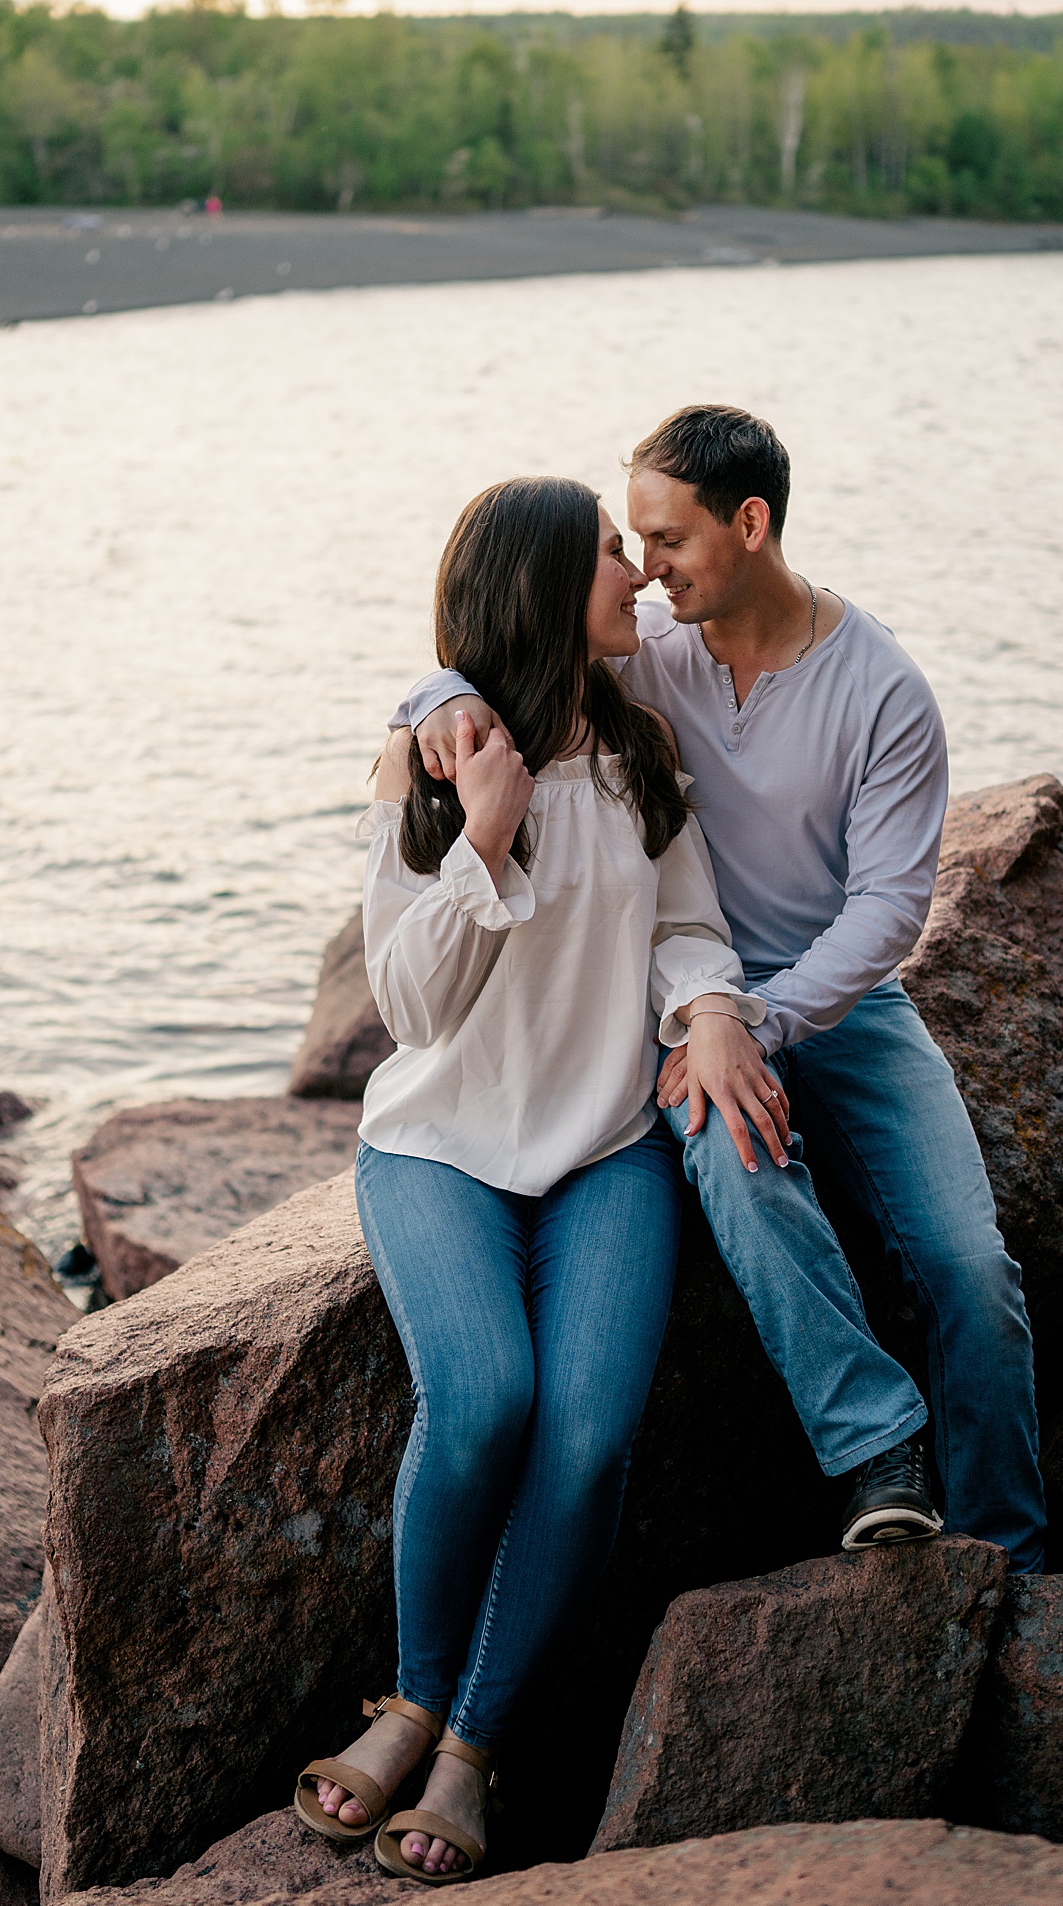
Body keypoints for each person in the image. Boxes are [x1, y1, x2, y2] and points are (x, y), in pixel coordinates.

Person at [399, 406, 1048, 1574]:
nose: (645, 573)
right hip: (674, 1002)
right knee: (739, 1164)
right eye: (633, 543)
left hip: (839, 1010)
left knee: (970, 1267)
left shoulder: (883, 690)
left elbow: (890, 912)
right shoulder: (650, 652)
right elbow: (508, 641)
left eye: (669, 541)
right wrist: (435, 695)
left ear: (750, 524)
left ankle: (1012, 1555)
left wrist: (755, 1019)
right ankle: (881, 1456)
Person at [295, 475, 774, 1884]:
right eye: (611, 555)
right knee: (486, 1395)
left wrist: (713, 1006)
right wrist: (484, 832)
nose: (634, 571)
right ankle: (412, 1695)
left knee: (587, 1435)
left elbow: (686, 926)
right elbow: (413, 1005)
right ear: (542, 585)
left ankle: (469, 1747)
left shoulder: (637, 746)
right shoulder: (437, 765)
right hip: (438, 1146)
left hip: (605, 1151)